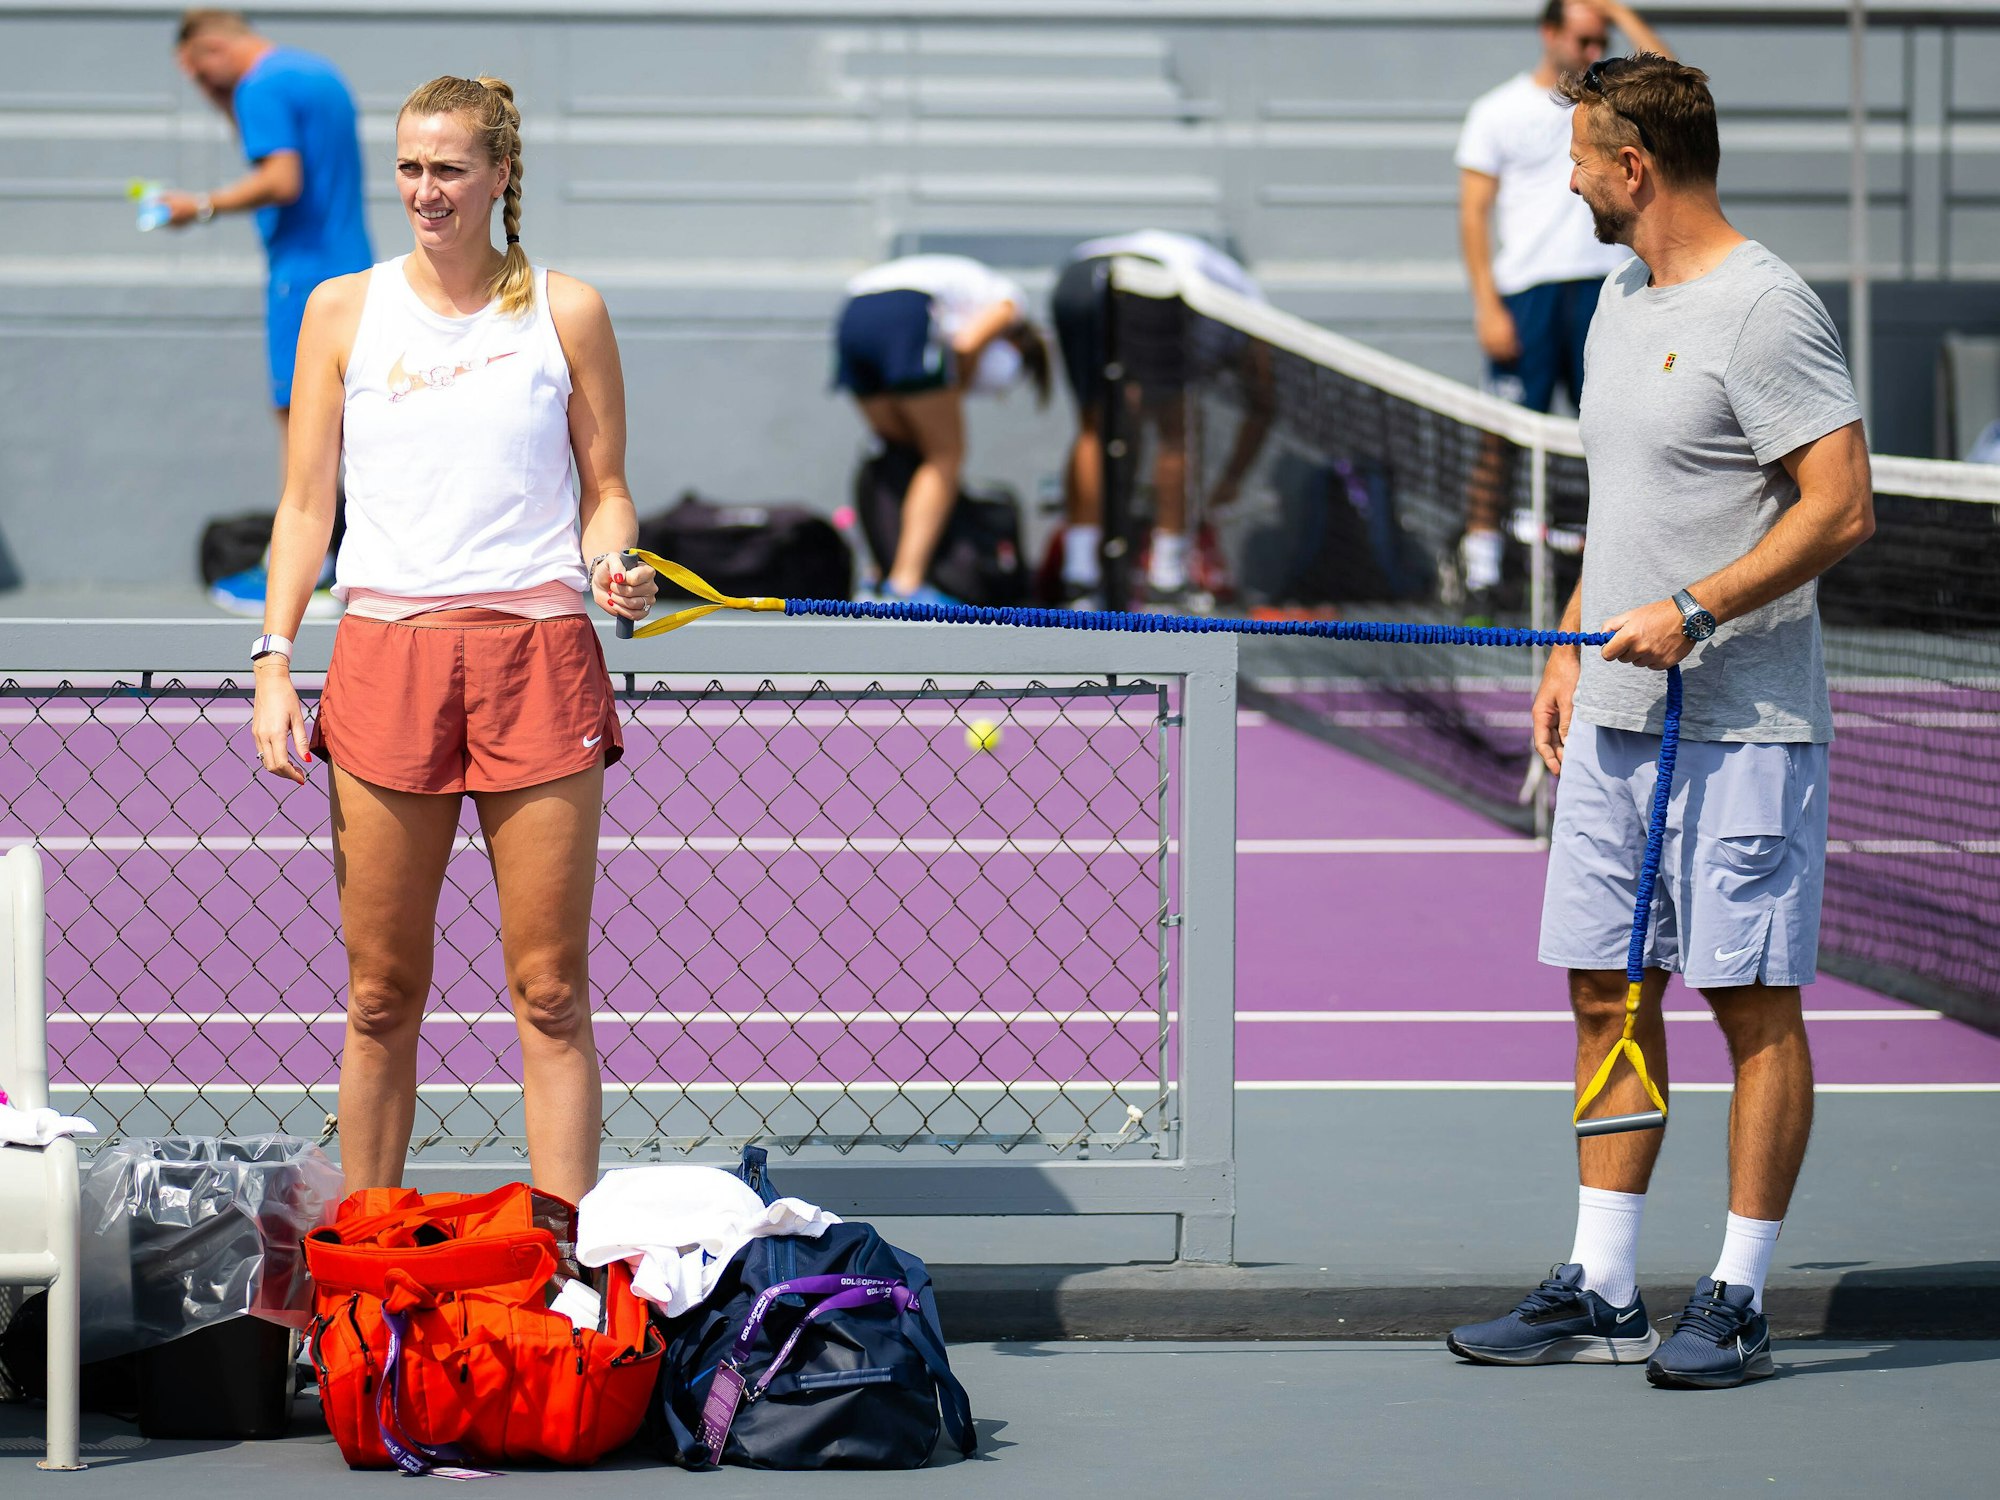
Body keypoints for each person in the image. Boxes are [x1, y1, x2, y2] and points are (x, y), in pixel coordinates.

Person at [1445, 55, 1874, 1390]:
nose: (1567, 181)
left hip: (1743, 729)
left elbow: (1842, 506)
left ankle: (1736, 1296)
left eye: (1579, 159)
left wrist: (1694, 612)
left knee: (1750, 1003)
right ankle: (1606, 1285)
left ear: (1633, 168)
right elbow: (1626, 504)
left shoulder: (1766, 309)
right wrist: (1569, 642)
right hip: (1615, 720)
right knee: (1604, 992)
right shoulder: (1619, 301)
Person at [248, 74, 660, 1207]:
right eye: (410, 168)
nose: (426, 190)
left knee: (551, 993)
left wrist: (614, 564)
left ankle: (564, 1268)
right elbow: (304, 508)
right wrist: (274, 660)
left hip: (541, 660)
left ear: (500, 176)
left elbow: (608, 492)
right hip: (385, 659)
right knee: (380, 996)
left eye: (449, 169)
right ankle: (366, 1256)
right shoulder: (341, 309)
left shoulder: (569, 311)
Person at [1454, 1, 1668, 619]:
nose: (1592, 50)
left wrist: (1617, 10)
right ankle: (1481, 572)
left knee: (1612, 434)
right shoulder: (1496, 111)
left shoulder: (1613, 106)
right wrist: (1487, 305)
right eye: (1582, 39)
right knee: (1500, 437)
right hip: (1527, 295)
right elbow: (1473, 213)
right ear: (1549, 34)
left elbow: (1672, 78)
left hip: (1605, 291)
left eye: (1601, 39)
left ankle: (1610, 574)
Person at [166, 9, 373, 616]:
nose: (200, 83)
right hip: (350, 267)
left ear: (212, 48)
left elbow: (281, 179)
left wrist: (200, 206)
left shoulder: (259, 87)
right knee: (344, 419)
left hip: (300, 279)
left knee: (301, 422)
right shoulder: (316, 74)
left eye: (196, 71)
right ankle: (336, 560)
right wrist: (222, 101)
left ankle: (307, 570)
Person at [1050, 230, 1271, 607]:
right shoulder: (1247, 300)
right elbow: (1264, 401)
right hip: (1150, 281)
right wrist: (1232, 479)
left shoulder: (1211, 283)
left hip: (1075, 279)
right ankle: (1167, 576)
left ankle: (1080, 576)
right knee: (1176, 431)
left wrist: (1230, 479)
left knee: (1093, 427)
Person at [833, 254, 1050, 604]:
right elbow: (966, 344)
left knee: (902, 454)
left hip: (853, 314)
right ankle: (905, 584)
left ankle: (880, 573)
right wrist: (955, 387)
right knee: (946, 455)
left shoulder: (965, 288)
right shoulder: (1011, 302)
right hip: (906, 312)